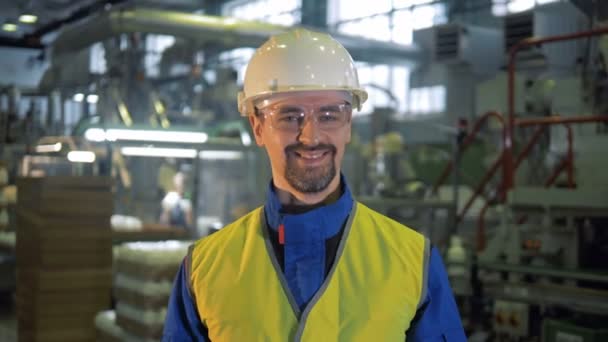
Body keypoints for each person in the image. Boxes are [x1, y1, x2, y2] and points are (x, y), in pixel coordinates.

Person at [162, 29, 466, 341]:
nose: (311, 136)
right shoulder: (203, 269)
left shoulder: (414, 263)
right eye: (290, 116)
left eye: (329, 115)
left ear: (348, 125)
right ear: (257, 126)